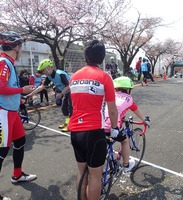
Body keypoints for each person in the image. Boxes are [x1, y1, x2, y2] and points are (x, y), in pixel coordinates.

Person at [68, 40, 118, 200]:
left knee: (81, 173)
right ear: (102, 57)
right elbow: (112, 109)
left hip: (75, 131)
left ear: (86, 56)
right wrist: (115, 128)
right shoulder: (104, 77)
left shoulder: (74, 77)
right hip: (94, 131)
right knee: (95, 176)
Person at [0, 31, 37, 200]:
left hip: (11, 112)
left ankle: (17, 175)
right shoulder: (4, 62)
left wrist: (20, 99)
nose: (22, 49)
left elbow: (8, 88)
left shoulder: (9, 62)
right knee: (1, 152)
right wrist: (21, 90)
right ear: (15, 47)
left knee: (20, 141)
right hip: (3, 113)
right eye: (21, 46)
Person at [104, 76, 150, 172]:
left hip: (99, 125)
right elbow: (136, 111)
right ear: (128, 90)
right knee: (125, 141)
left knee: (105, 139)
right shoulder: (129, 98)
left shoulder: (109, 95)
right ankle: (126, 165)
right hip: (112, 126)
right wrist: (145, 120)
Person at [26, 59, 71, 132]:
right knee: (64, 108)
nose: (43, 73)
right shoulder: (49, 77)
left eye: (43, 70)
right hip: (65, 92)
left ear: (48, 68)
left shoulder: (60, 74)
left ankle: (70, 125)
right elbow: (42, 87)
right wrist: (30, 94)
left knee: (70, 108)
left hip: (72, 91)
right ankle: (67, 122)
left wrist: (61, 93)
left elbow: (68, 85)